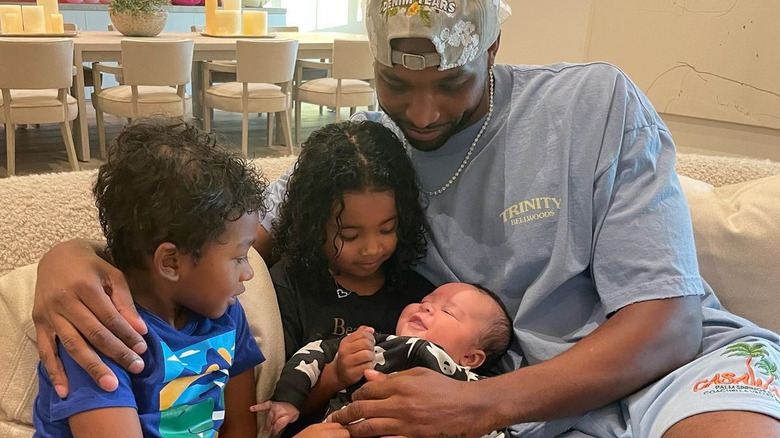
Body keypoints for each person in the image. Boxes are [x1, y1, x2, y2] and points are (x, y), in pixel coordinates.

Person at [29, 0, 780, 437]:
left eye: (451, 82)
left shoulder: (594, 104)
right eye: (396, 82)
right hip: (497, 403)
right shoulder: (365, 154)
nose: (422, 114)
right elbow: (220, 231)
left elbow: (670, 323)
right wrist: (74, 254)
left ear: (494, 46)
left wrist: (482, 404)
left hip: (672, 376)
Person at [32, 119, 267, 437]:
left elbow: (241, 429)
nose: (248, 272)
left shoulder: (228, 316)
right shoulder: (101, 332)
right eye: (239, 257)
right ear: (170, 262)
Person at [269, 120, 434, 362]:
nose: (372, 249)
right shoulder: (287, 289)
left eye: (387, 229)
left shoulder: (420, 299)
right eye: (349, 235)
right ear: (312, 224)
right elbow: (279, 391)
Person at [253, 282, 512, 436]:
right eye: (425, 301)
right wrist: (287, 399)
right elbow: (313, 353)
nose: (426, 307)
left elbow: (491, 424)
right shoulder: (376, 343)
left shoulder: (471, 387)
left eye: (448, 311)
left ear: (471, 357)